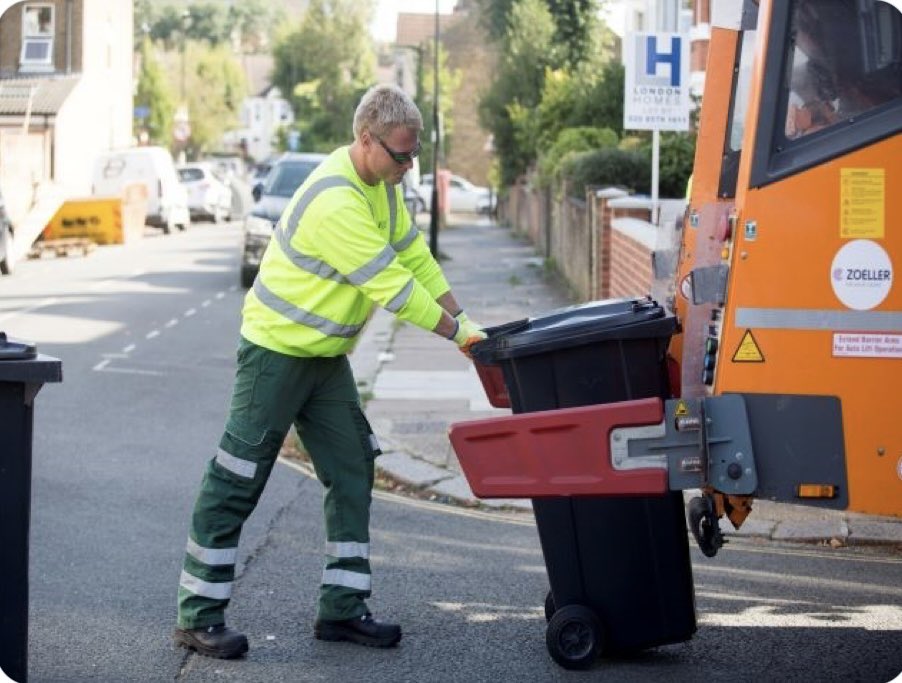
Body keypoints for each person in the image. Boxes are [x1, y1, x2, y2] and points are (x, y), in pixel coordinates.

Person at [172, 84, 486, 659]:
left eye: (414, 154)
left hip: (323, 359)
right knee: (237, 478)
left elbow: (412, 256)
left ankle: (341, 610)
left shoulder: (381, 187)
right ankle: (198, 614)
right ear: (365, 140)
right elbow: (392, 288)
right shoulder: (336, 201)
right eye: (400, 154)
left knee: (352, 466)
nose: (408, 165)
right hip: (275, 355)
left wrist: (466, 319)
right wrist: (460, 337)